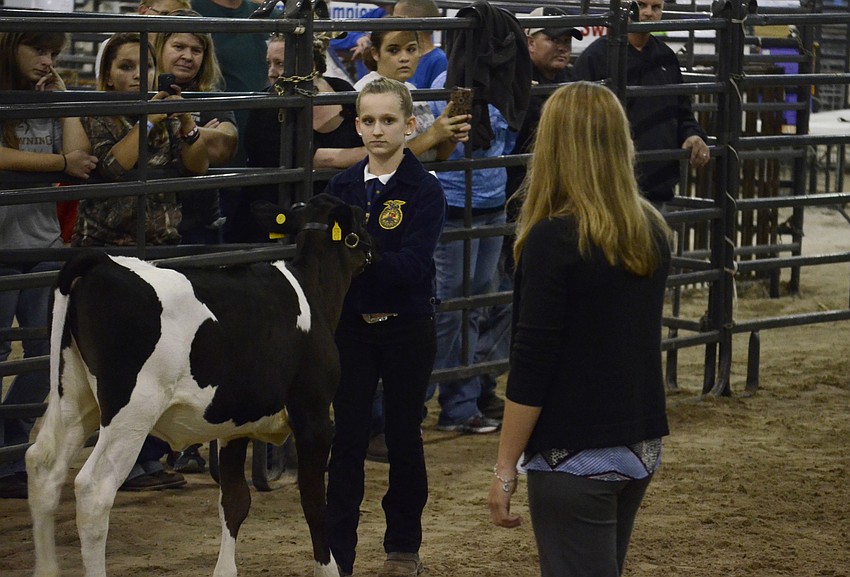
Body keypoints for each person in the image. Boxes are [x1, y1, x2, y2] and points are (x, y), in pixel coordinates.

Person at [488, 81, 672, 577]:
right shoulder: (650, 228)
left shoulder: (552, 238)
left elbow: (532, 360)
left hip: (573, 451)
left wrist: (506, 466)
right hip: (639, 443)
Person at [324, 77, 449, 577]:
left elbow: (415, 265)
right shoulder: (342, 187)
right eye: (369, 121)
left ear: (409, 125)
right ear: (357, 126)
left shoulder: (424, 189)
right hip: (351, 329)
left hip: (406, 328)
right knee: (347, 438)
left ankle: (402, 546)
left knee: (404, 436)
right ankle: (338, 551)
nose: (378, 130)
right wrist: (364, 260)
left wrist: (356, 258)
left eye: (389, 120)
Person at [75, 32, 210, 490]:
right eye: (125, 67)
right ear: (108, 77)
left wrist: (186, 121)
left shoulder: (166, 114)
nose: (136, 76)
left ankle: (147, 455)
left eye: (143, 67)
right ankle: (120, 460)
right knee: (120, 363)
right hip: (109, 254)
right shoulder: (96, 116)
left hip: (160, 250)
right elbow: (112, 168)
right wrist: (151, 119)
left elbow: (197, 165)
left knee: (159, 362)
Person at [0, 31, 97, 499]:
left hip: (40, 239)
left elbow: (80, 159)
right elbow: (65, 160)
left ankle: (10, 449)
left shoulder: (45, 98)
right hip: (6, 244)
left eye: (54, 54)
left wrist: (65, 102)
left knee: (45, 354)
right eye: (38, 51)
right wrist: (57, 161)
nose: (47, 61)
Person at [427, 70, 516, 435]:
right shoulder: (445, 85)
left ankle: (461, 403)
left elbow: (506, 142)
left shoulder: (503, 84)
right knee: (450, 306)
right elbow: (442, 145)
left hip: (490, 201)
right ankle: (420, 397)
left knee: (475, 304)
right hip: (454, 203)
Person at [573, 0, 709, 205]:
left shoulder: (666, 57)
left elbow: (683, 112)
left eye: (656, 8)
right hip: (608, 192)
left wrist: (692, 135)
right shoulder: (596, 57)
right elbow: (577, 123)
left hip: (657, 188)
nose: (648, 13)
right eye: (640, 6)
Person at [152, 11, 239, 243]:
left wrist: (161, 132)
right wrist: (196, 136)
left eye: (196, 50)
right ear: (160, 46)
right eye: (179, 46)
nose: (187, 56)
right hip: (144, 225)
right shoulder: (139, 90)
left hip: (198, 225)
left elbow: (225, 148)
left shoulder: (210, 95)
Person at [392, 0, 447, 90]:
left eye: (395, 19)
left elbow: (436, 101)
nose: (390, 24)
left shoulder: (439, 60)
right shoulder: (398, 56)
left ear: (409, 21)